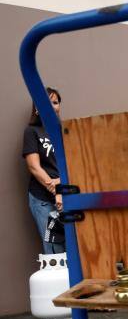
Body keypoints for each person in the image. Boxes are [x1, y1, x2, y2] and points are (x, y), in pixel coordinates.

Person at [22, 87, 65, 254]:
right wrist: (56, 191)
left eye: (56, 102)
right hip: (42, 199)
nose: (53, 106)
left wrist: (62, 186)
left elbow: (72, 164)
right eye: (48, 102)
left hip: (64, 194)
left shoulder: (64, 132)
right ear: (37, 108)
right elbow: (34, 167)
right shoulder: (31, 131)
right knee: (54, 248)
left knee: (73, 246)